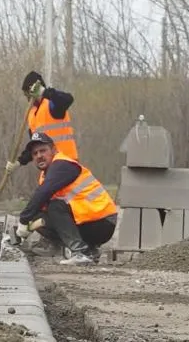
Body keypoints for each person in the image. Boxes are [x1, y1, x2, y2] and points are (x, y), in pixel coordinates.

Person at [15, 130, 118, 265]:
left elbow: (43, 193)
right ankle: (88, 251)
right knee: (38, 214)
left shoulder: (62, 165)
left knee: (54, 207)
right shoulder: (46, 174)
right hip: (88, 221)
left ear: (53, 150)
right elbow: (40, 205)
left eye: (43, 151)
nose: (39, 156)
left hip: (101, 221)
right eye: (35, 154)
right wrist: (26, 228)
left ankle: (80, 252)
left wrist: (23, 220)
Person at [8, 71, 78, 172]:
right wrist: (18, 163)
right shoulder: (32, 115)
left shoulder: (52, 105)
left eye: (28, 94)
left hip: (65, 163)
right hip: (49, 167)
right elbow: (34, 146)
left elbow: (68, 99)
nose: (27, 98)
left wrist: (45, 92)